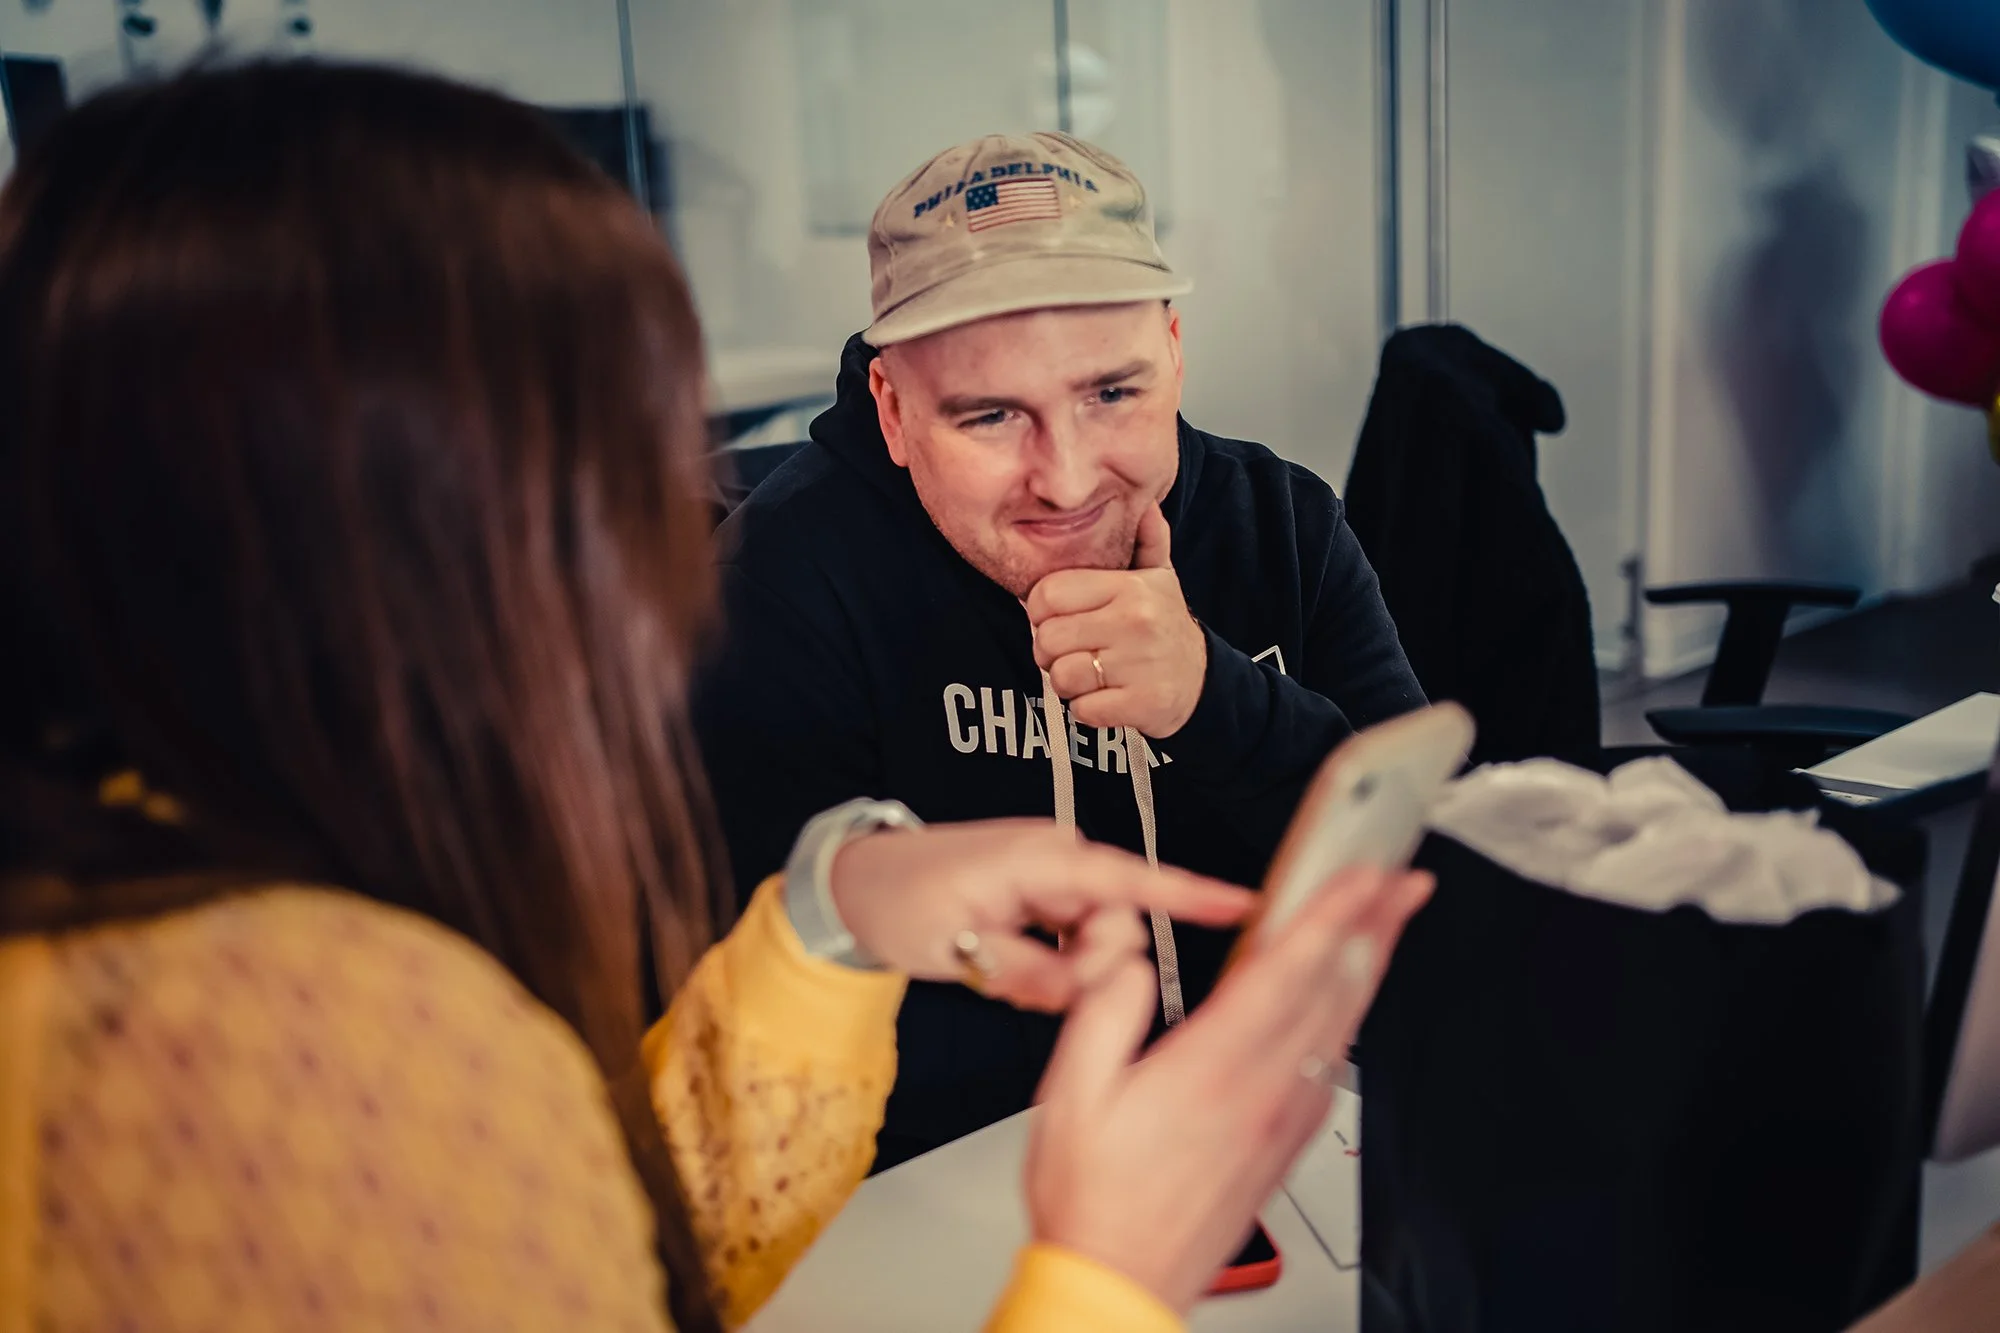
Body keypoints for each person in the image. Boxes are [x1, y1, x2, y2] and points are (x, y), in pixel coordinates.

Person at [0, 62, 1433, 1333]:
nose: (661, 557)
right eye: (608, 472)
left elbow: (629, 1232)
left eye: (1113, 394)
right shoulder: (313, 1039)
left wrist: (826, 916)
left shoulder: (236, 905)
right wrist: (1106, 1277)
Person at [697, 130, 1427, 1165]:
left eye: (1111, 393)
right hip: (938, 1182)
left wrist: (1210, 699)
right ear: (893, 413)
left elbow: (1432, 880)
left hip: (1279, 1139)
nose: (1069, 479)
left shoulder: (1284, 527)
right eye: (990, 415)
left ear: (1172, 352)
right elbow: (750, 1019)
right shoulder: (777, 587)